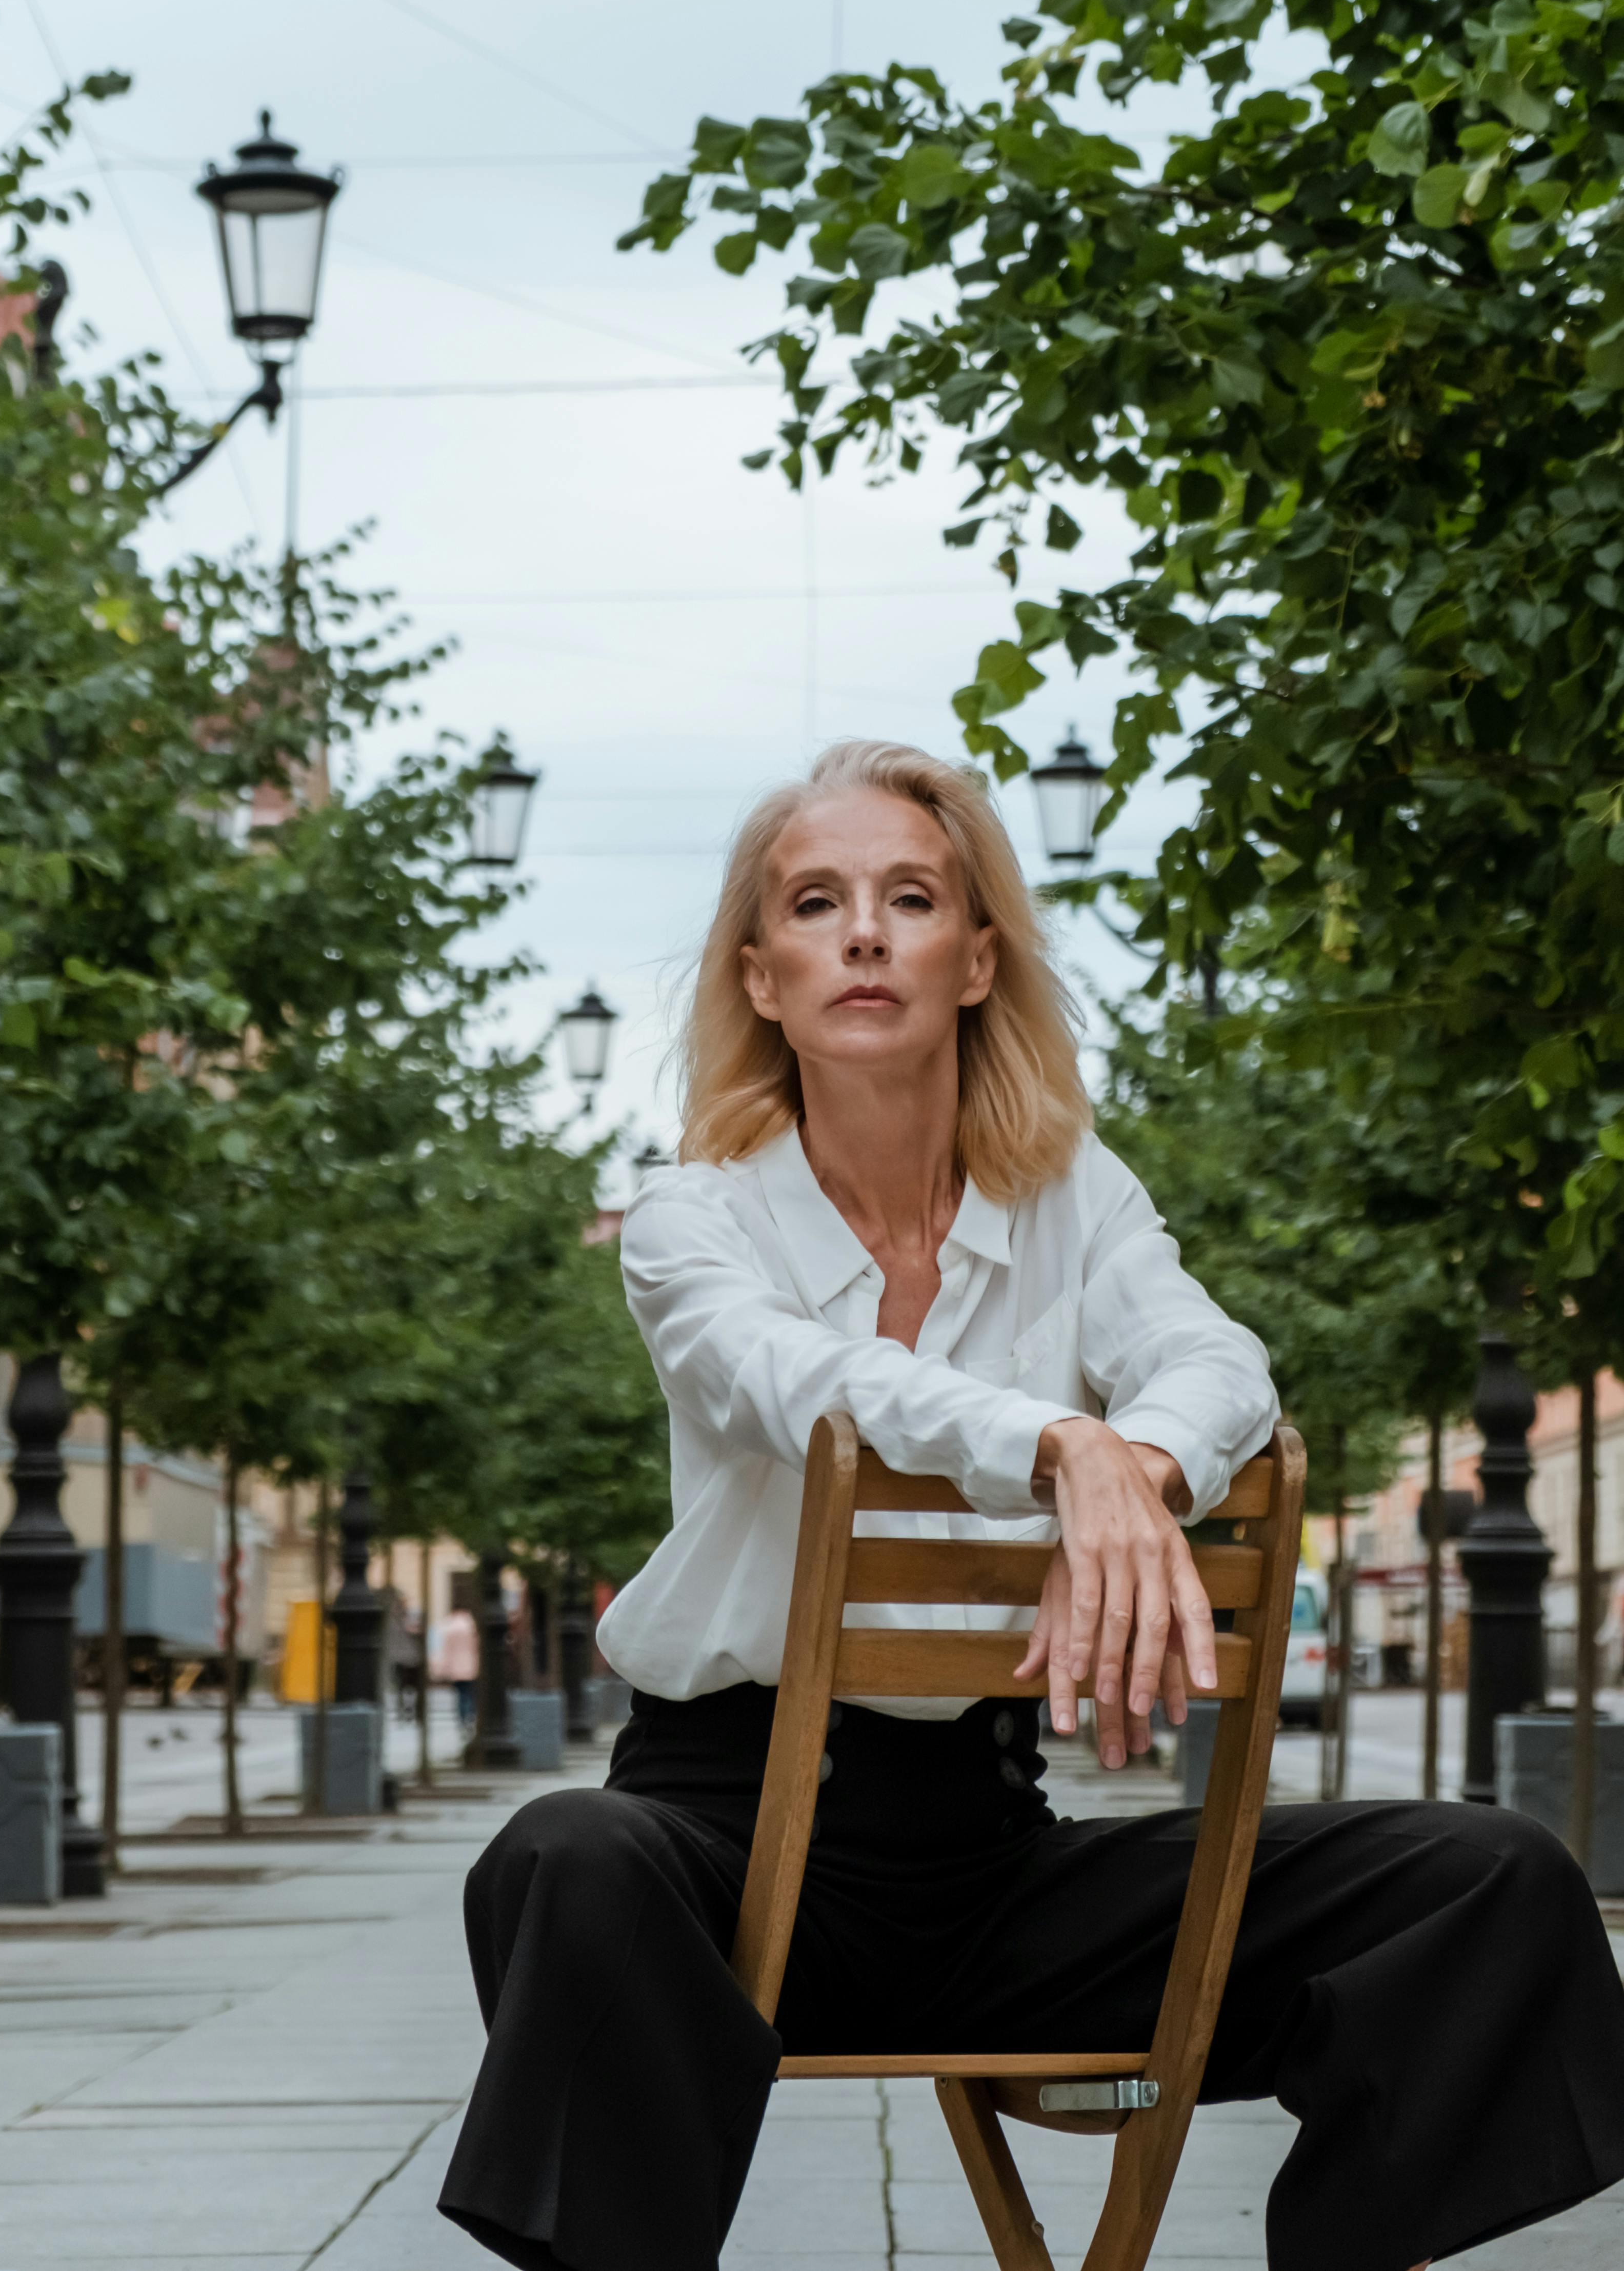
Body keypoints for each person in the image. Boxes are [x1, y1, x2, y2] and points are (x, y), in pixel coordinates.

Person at [439, 739, 1624, 2271]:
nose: (862, 931)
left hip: (996, 1870)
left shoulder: (1071, 1192)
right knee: (555, 1861)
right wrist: (1064, 1446)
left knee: (1495, 1882)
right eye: (815, 900)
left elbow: (1217, 1365)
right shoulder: (690, 1217)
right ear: (759, 970)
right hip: (722, 1871)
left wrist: (1137, 1468)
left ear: (976, 954)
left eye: (910, 896)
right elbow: (806, 1387)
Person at [436, 1601, 480, 1733]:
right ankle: (471, 1716)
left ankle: (462, 1720)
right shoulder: (472, 1625)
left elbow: (446, 1650)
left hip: (456, 1668)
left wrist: (444, 1667)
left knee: (461, 1695)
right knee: (471, 1693)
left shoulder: (449, 1626)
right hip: (471, 1665)